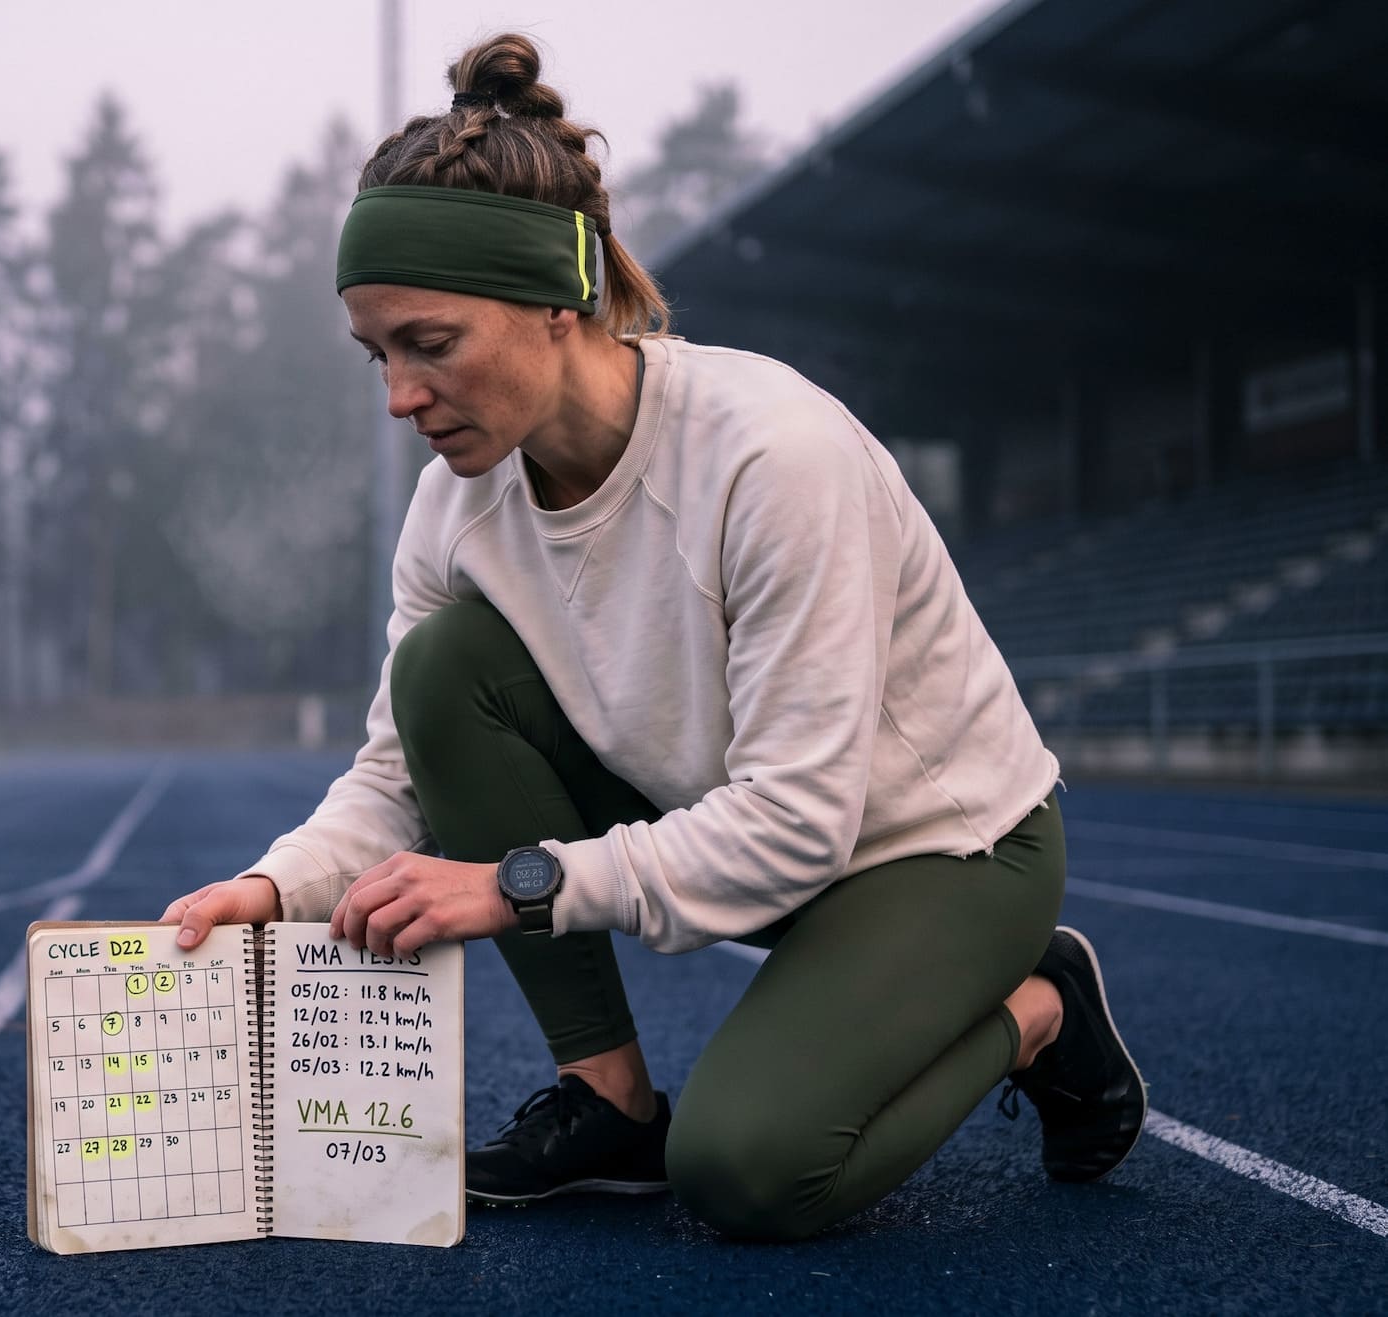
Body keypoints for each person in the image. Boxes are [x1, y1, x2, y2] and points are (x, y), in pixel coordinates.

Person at [157, 32, 1145, 1242]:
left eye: (430, 344)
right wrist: (275, 888)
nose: (399, 397)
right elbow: (400, 773)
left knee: (746, 1172)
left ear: (556, 301)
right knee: (444, 669)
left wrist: (516, 887)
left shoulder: (773, 456)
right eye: (378, 356)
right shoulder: (454, 508)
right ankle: (608, 1101)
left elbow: (801, 820)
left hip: (937, 854)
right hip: (743, 833)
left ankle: (1040, 1007)